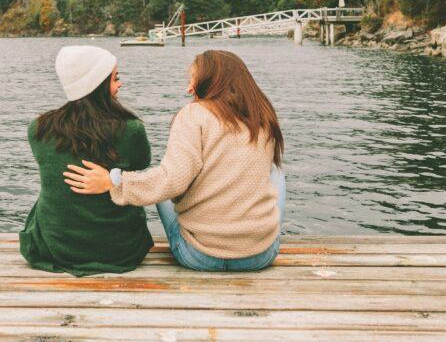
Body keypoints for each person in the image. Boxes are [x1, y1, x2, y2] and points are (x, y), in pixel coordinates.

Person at [65, 49, 284, 272]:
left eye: (194, 81)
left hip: (200, 255)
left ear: (213, 82)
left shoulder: (193, 115)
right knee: (276, 174)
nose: (189, 88)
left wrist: (115, 181)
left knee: (165, 179)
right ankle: (259, 234)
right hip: (259, 256)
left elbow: (172, 181)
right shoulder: (262, 118)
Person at [19, 45, 154, 275]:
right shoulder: (131, 130)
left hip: (55, 248)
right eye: (114, 79)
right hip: (120, 249)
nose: (119, 84)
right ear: (98, 84)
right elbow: (142, 164)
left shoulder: (39, 129)